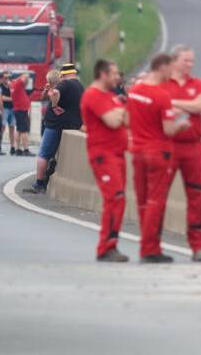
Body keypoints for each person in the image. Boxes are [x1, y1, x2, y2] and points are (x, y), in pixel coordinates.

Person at [127, 53, 188, 264]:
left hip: (137, 151)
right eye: (171, 69)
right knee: (156, 201)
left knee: (143, 201)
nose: (172, 74)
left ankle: (147, 245)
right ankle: (149, 247)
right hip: (157, 152)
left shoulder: (134, 91)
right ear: (162, 68)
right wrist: (181, 123)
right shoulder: (161, 96)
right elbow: (169, 129)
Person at [163, 45, 201, 262]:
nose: (190, 65)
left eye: (192, 61)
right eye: (186, 61)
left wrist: (176, 105)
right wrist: (190, 107)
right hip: (168, 145)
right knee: (158, 195)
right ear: (174, 61)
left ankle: (199, 246)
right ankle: (152, 244)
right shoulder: (164, 83)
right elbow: (160, 106)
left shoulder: (197, 83)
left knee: (196, 197)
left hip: (193, 146)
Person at [80, 60, 130, 263]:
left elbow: (126, 119)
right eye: (115, 74)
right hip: (103, 155)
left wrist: (120, 110)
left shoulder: (110, 97)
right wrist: (120, 110)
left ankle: (112, 244)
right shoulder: (93, 95)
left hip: (118, 154)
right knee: (114, 197)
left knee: (119, 199)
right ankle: (106, 247)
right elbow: (114, 120)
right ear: (103, 74)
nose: (118, 78)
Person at [24, 65, 83, 195]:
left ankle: (39, 183)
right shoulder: (79, 86)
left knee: (44, 154)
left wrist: (55, 105)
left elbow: (54, 93)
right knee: (56, 155)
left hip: (55, 124)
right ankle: (47, 178)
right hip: (73, 125)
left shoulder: (64, 85)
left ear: (62, 75)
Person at [9, 71, 33, 156]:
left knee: (19, 130)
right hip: (21, 109)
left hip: (18, 109)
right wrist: (25, 76)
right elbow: (25, 76)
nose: (27, 80)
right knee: (24, 130)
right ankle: (26, 149)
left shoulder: (14, 84)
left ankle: (18, 149)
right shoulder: (18, 83)